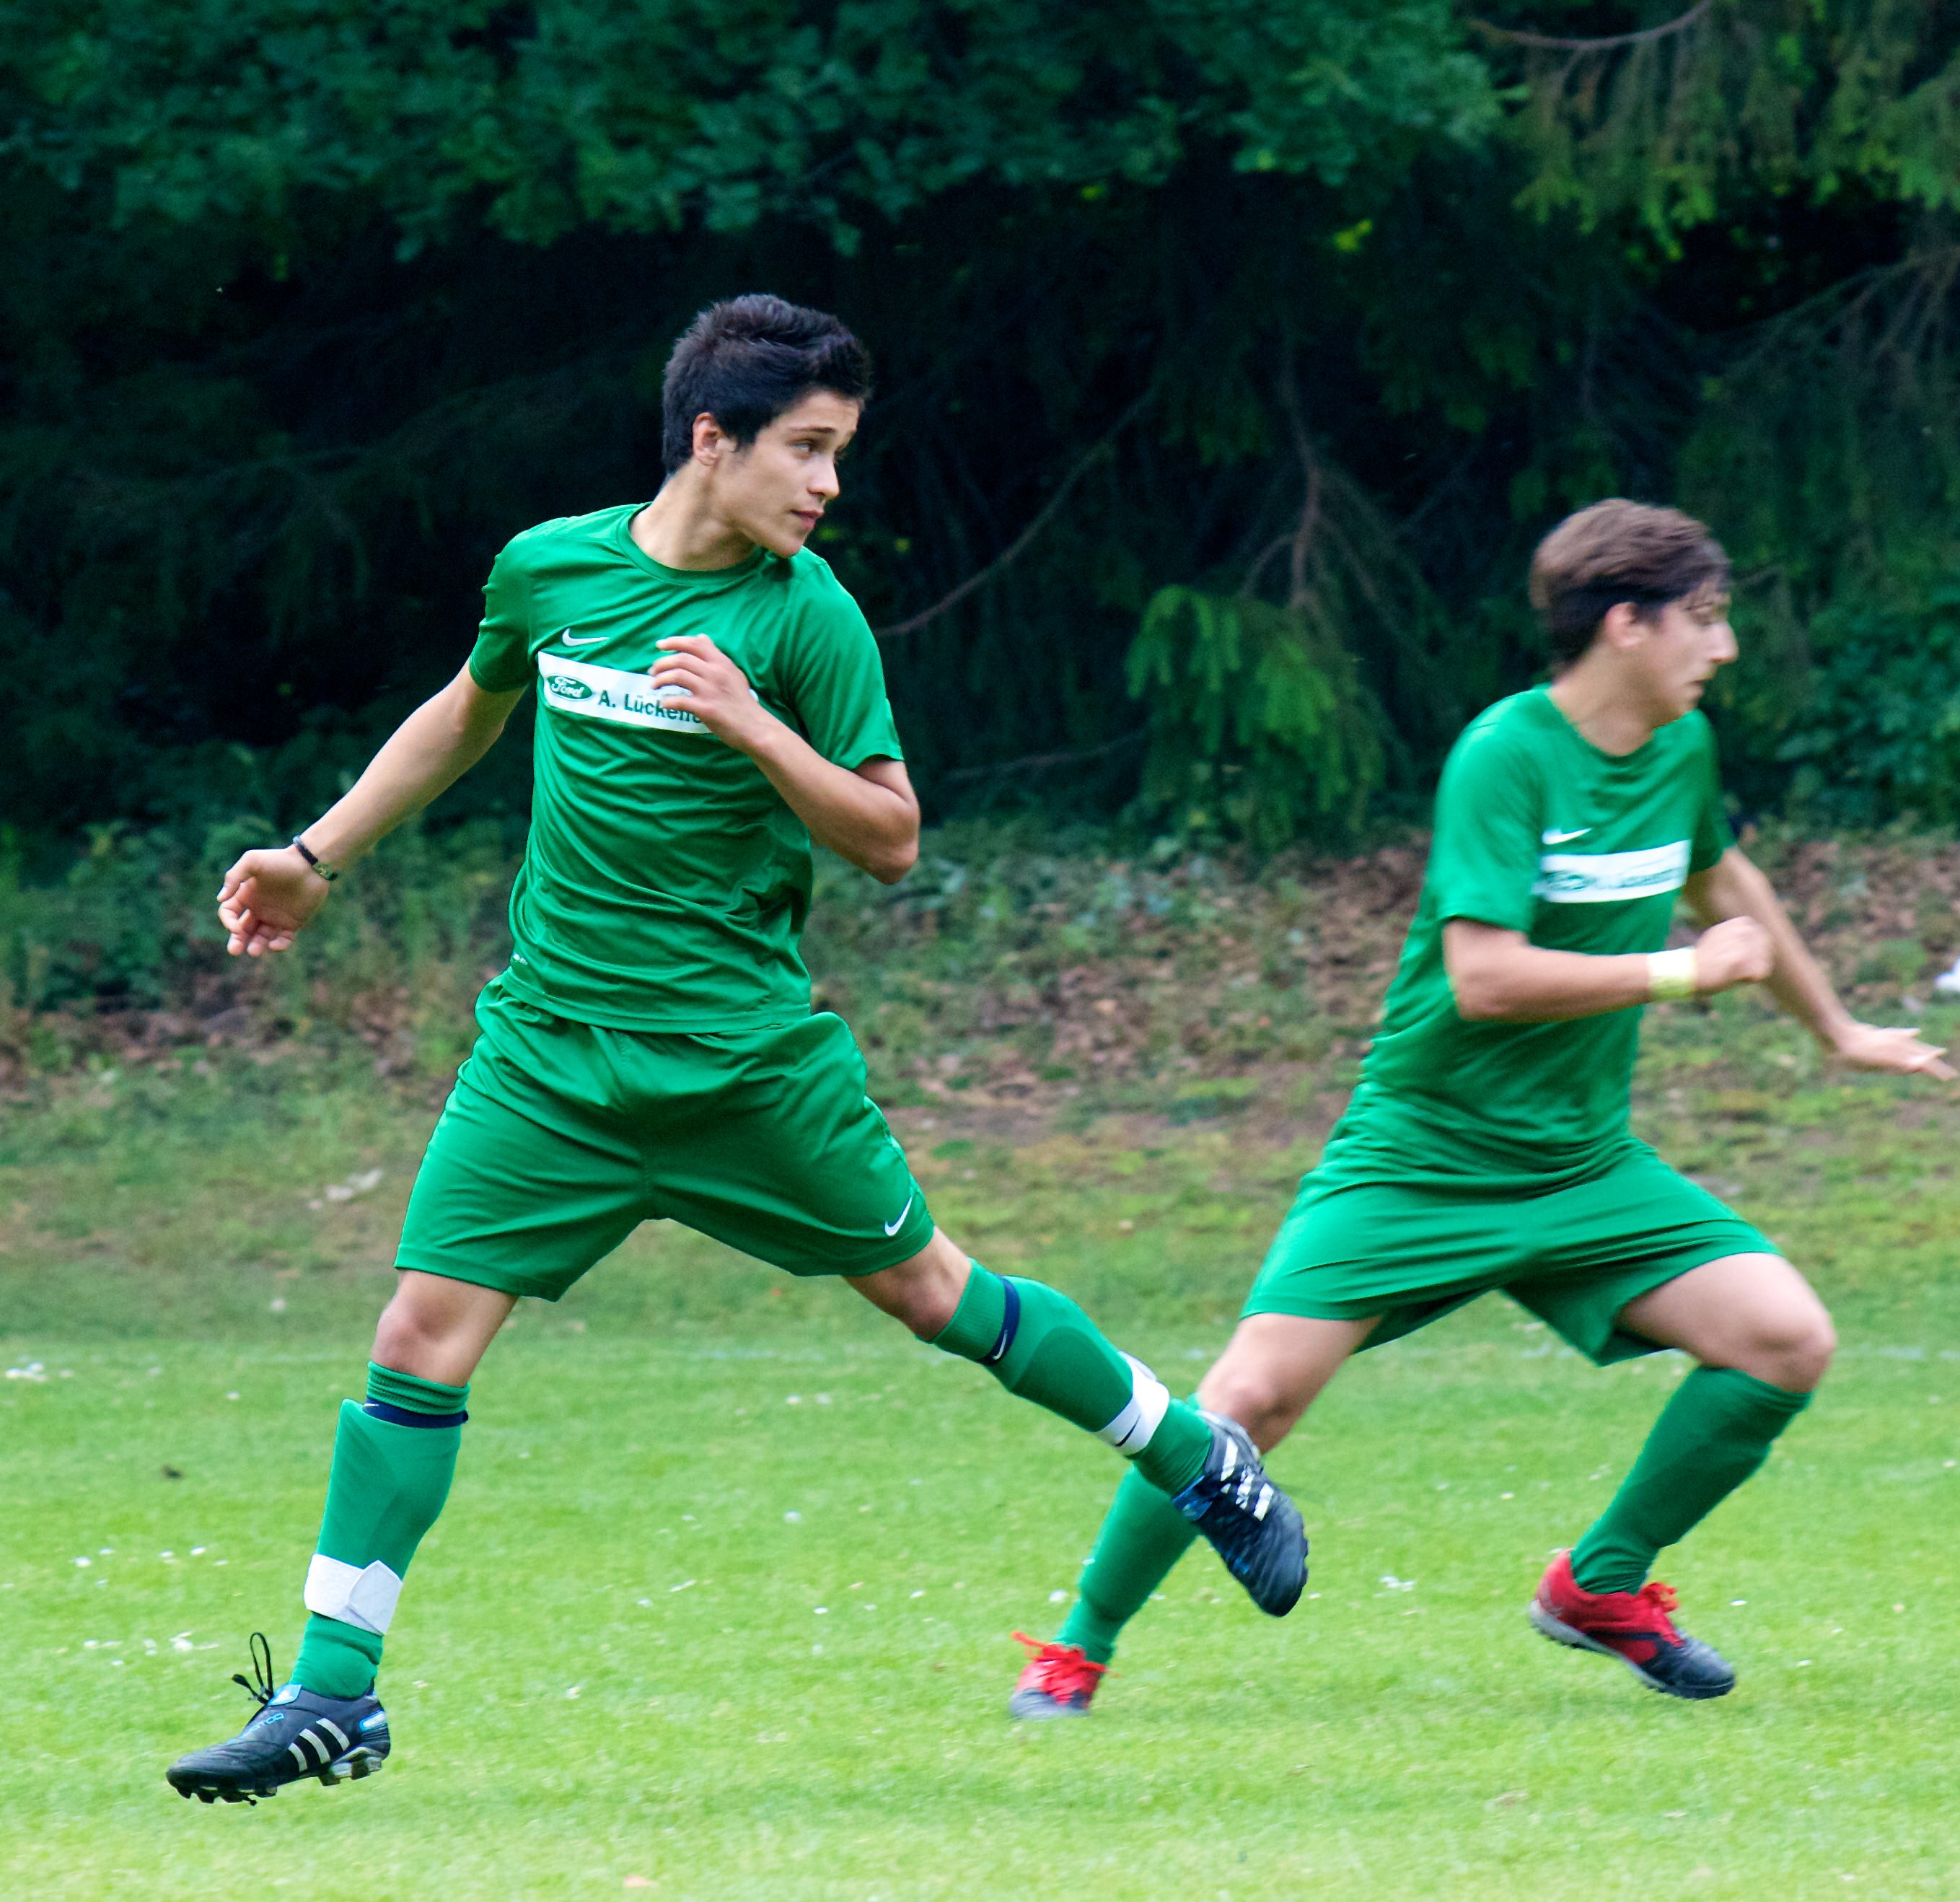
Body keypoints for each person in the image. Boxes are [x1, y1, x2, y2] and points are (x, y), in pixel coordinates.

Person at [164, 294, 1305, 1805]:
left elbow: (891, 837)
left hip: (746, 1065)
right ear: (714, 438)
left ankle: (1192, 1456)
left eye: (840, 454)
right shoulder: (551, 567)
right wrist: (317, 857)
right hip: (551, 1055)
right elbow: (465, 710)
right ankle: (334, 1694)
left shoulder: (806, 616)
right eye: (807, 450)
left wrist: (759, 728)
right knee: (415, 1340)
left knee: (937, 1295)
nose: (827, 485)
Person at [1003, 499, 1954, 1720]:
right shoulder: (1504, 756)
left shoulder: (1681, 748)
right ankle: (1075, 1651)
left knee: (1784, 1340)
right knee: (1246, 1406)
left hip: (1584, 1166)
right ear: (1626, 624)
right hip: (1421, 1156)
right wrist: (1681, 973)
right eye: (1706, 619)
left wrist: (1837, 1029)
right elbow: (1486, 978)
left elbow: (1727, 882)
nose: (1724, 648)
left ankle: (1599, 1586)